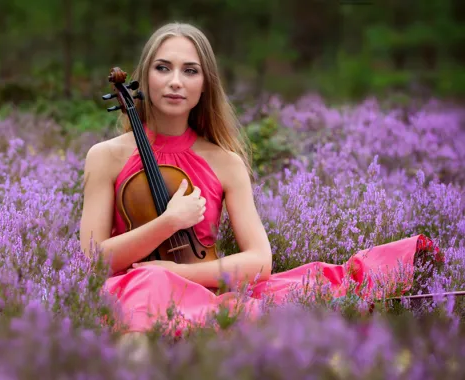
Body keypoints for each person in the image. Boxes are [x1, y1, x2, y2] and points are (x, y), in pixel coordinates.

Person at [79, 22, 441, 339]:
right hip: (133, 289)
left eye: (190, 71)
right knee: (152, 285)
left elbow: (259, 260)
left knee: (313, 291)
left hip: (202, 291)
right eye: (163, 68)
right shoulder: (106, 156)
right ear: (145, 77)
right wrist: (169, 222)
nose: (175, 81)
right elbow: (92, 259)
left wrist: (178, 271)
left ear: (205, 85)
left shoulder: (225, 162)